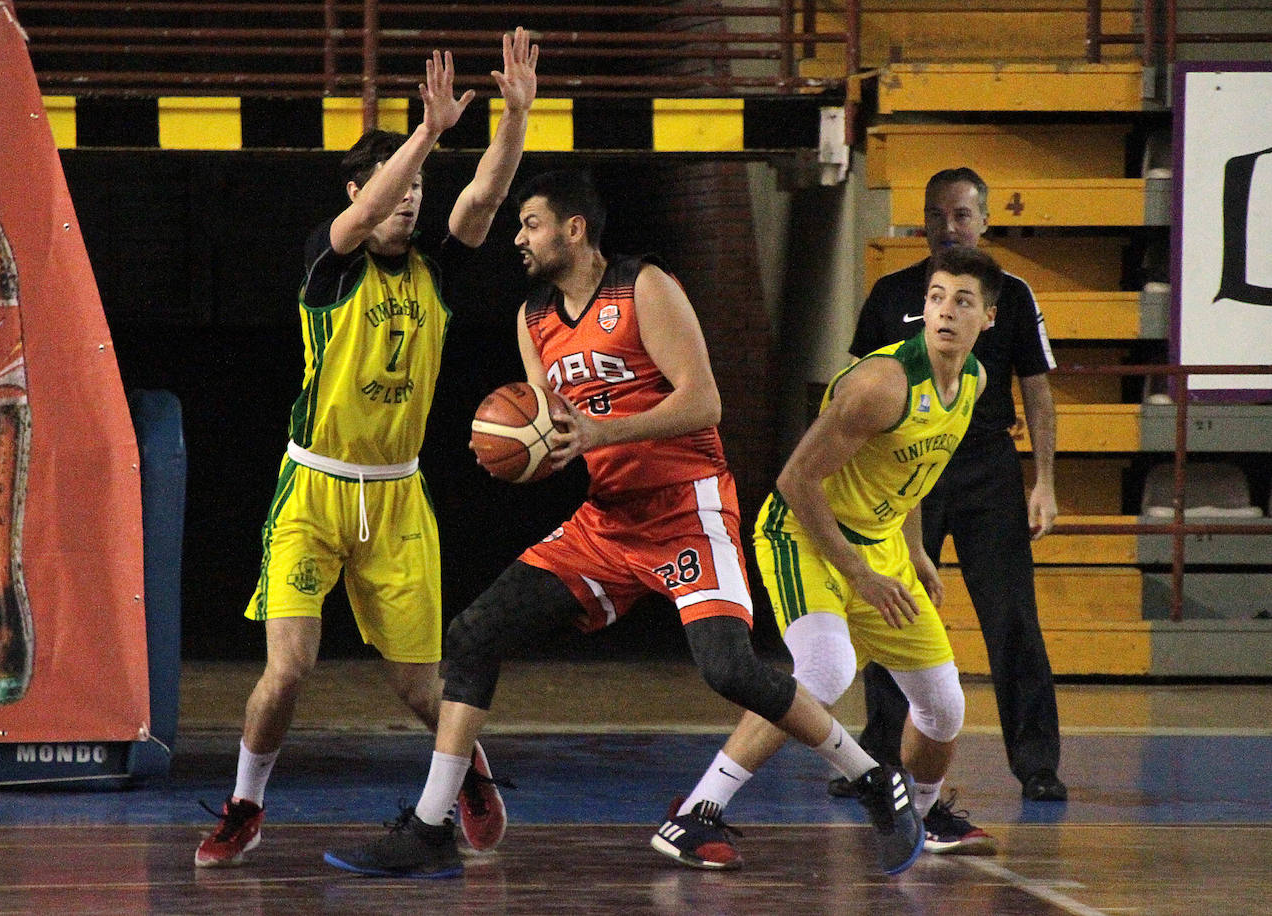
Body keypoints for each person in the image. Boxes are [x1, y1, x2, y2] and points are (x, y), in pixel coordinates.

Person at [322, 170, 924, 880]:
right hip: (608, 522)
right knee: (473, 634)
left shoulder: (644, 288)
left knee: (729, 667)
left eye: (532, 223)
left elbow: (705, 403)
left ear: (574, 230)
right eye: (518, 226)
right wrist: (520, 450)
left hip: (688, 508)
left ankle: (869, 778)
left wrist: (602, 432)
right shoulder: (532, 318)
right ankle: (430, 827)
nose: (518, 237)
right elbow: (553, 427)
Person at [194, 29, 540, 868]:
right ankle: (246, 804)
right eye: (399, 185)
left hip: (396, 496)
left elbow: (484, 202)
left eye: (421, 186)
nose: (413, 199)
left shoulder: (435, 272)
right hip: (312, 490)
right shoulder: (330, 261)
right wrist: (425, 131)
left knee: (423, 688)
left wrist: (514, 119)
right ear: (361, 188)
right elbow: (360, 215)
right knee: (288, 671)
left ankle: (473, 778)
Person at [654, 245, 1003, 872]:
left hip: (882, 546)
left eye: (962, 301)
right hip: (804, 536)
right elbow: (795, 481)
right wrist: (858, 572)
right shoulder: (881, 384)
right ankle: (696, 813)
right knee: (825, 670)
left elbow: (916, 467)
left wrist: (915, 550)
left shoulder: (973, 381)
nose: (945, 312)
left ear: (989, 318)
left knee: (945, 705)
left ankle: (919, 819)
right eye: (935, 297)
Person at [834, 167, 1067, 803]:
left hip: (987, 469)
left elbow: (1038, 392)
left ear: (984, 221)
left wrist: (1043, 480)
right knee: (893, 609)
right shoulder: (891, 292)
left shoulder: (1011, 294)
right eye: (937, 215)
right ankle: (878, 760)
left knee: (1013, 615)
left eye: (962, 215)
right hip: (909, 470)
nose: (948, 227)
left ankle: (1037, 762)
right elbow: (857, 390)